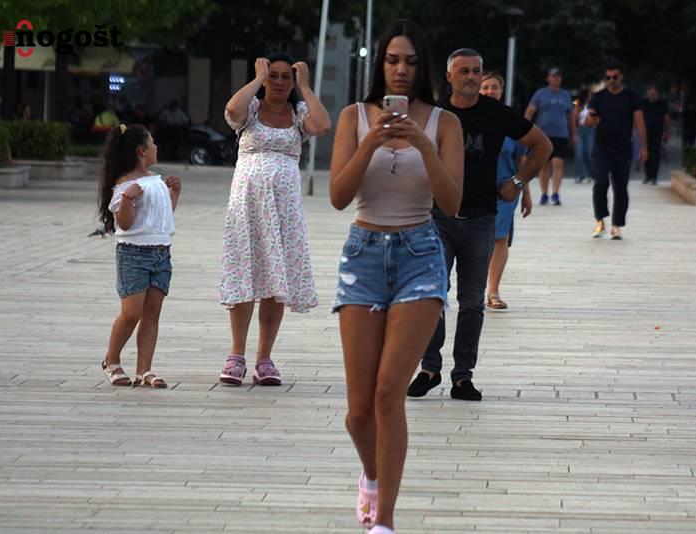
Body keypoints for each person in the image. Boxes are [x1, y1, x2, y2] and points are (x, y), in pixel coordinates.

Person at [329, 19, 464, 533]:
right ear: (379, 64)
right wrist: (372, 142)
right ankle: (371, 476)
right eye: (392, 60)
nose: (401, 70)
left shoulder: (444, 123)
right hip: (362, 256)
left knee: (389, 393)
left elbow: (451, 202)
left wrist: (422, 145)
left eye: (410, 61)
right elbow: (338, 196)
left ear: (422, 66)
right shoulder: (353, 117)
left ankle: (384, 521)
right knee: (358, 413)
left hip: (420, 254)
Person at [407, 48, 551, 401]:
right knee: (431, 296)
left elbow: (542, 145)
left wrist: (517, 182)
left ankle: (462, 376)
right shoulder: (434, 114)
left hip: (481, 218)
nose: (471, 77)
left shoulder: (496, 113)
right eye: (464, 71)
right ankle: (429, 368)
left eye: (476, 71)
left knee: (472, 301)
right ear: (449, 76)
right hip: (436, 218)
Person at [218, 53, 331, 387]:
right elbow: (231, 110)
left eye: (285, 77)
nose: (280, 82)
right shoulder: (252, 110)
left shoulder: (298, 115)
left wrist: (305, 87)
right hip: (247, 207)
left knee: (274, 280)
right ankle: (236, 355)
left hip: (284, 211)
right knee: (244, 275)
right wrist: (257, 78)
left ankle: (264, 358)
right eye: (274, 76)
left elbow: (323, 125)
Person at [97, 124, 182, 388]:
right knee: (131, 313)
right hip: (133, 254)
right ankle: (112, 360)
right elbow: (125, 223)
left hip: (161, 253)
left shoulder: (156, 180)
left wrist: (174, 194)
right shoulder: (125, 185)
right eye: (153, 142)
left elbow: (162, 217)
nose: (157, 147)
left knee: (152, 312)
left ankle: (144, 370)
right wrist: (126, 199)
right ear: (142, 150)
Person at [479, 72, 532, 311]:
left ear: (501, 91)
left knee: (499, 237)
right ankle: (474, 288)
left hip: (506, 189)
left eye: (494, 87)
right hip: (476, 188)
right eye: (485, 87)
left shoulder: (510, 120)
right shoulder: (467, 118)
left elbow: (522, 160)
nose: (489, 91)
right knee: (478, 239)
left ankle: (493, 291)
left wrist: (525, 191)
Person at [585, 61, 647, 240]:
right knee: (600, 183)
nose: (611, 80)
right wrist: (590, 121)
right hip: (601, 147)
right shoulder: (598, 97)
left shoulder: (631, 96)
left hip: (623, 149)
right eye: (608, 77)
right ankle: (600, 221)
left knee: (620, 187)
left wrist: (644, 146)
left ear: (621, 77)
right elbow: (588, 119)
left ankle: (616, 225)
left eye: (614, 77)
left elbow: (639, 121)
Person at [525, 67, 575, 206]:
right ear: (548, 78)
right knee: (544, 165)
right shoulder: (540, 94)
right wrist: (524, 128)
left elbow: (571, 115)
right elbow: (530, 110)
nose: (556, 79)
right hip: (543, 135)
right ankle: (544, 194)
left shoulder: (565, 95)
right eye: (553, 76)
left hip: (561, 134)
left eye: (558, 76)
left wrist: (574, 133)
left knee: (558, 162)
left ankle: (556, 193)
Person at [640, 85, 671, 185]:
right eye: (650, 94)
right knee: (645, 153)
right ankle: (647, 175)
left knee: (655, 155)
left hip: (657, 132)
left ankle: (654, 176)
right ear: (647, 93)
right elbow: (638, 116)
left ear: (657, 94)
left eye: (654, 94)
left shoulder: (662, 103)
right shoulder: (643, 102)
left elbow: (667, 119)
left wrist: (667, 132)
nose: (652, 96)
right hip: (645, 132)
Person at [574, 87, 595, 183]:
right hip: (580, 130)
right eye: (589, 95)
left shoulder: (593, 105)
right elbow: (574, 118)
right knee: (579, 153)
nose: (591, 97)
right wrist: (574, 132)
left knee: (590, 153)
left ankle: (591, 174)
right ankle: (579, 175)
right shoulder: (578, 104)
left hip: (590, 130)